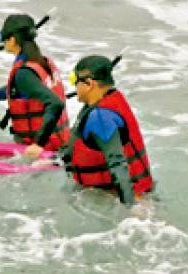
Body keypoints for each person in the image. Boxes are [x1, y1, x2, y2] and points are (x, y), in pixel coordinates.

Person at [0, 14, 71, 159]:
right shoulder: (42, 62)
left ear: (12, 40)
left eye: (4, 38)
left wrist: (38, 144)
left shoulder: (24, 73)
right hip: (60, 143)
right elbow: (18, 88)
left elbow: (55, 103)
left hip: (40, 151)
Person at [62, 55, 154, 205]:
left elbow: (117, 164)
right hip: (125, 192)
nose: (74, 87)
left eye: (75, 81)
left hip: (116, 197)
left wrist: (131, 206)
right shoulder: (109, 98)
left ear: (89, 84)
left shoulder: (100, 117)